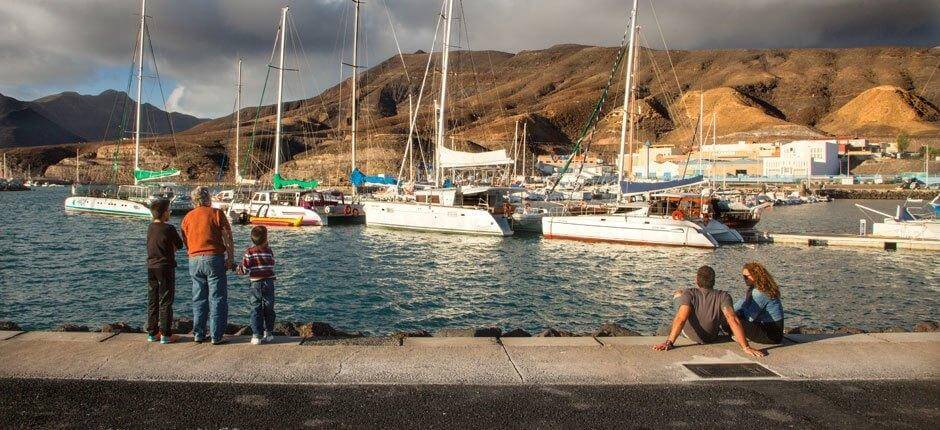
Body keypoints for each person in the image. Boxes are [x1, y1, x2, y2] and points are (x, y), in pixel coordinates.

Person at [653, 265, 765, 357]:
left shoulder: (690, 293)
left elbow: (681, 319)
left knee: (678, 296)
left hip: (691, 335)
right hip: (711, 337)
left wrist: (669, 343)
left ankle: (678, 301)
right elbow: (732, 319)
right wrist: (746, 347)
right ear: (713, 281)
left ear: (697, 280)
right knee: (720, 310)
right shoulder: (724, 296)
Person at [181, 186, 236, 345]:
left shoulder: (187, 217)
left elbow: (186, 239)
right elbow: (228, 237)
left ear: (194, 200)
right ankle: (216, 335)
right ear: (208, 198)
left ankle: (198, 333)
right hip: (214, 258)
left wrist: (191, 252)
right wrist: (230, 258)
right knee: (217, 297)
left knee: (198, 298)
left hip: (194, 259)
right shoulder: (216, 213)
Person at [145, 199, 184, 344]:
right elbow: (179, 245)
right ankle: (166, 334)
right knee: (166, 300)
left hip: (151, 266)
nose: (170, 213)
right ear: (164, 213)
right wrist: (171, 250)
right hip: (165, 266)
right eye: (168, 210)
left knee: (153, 299)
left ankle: (152, 332)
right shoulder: (169, 228)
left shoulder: (150, 227)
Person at [236, 226, 277, 345]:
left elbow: (245, 269)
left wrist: (237, 269)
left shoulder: (249, 252)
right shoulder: (269, 251)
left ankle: (256, 335)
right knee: (269, 306)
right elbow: (272, 264)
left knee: (255, 307)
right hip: (268, 281)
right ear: (265, 239)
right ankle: (269, 332)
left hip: (255, 282)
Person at [735, 262, 785, 344]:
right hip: (774, 331)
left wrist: (733, 314)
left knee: (733, 320)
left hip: (771, 336)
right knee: (733, 315)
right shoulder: (760, 288)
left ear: (755, 276)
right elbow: (742, 302)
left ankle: (737, 336)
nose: (744, 279)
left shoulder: (759, 292)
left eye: (746, 277)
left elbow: (750, 318)